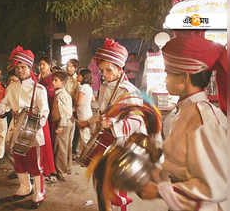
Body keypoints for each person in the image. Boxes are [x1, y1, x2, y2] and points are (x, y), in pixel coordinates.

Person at [138, 33, 228, 211]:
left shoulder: (204, 120)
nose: (165, 79)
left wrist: (160, 191)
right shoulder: (183, 112)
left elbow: (217, 185)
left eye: (168, 73)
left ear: (185, 77)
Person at [79, 38, 147, 211]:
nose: (105, 74)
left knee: (116, 185)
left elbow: (137, 118)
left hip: (123, 144)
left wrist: (113, 124)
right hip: (107, 141)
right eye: (102, 70)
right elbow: (103, 111)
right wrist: (91, 122)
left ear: (119, 68)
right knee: (101, 181)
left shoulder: (128, 91)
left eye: (109, 70)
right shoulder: (104, 86)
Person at [0, 46, 51, 209]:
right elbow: (5, 104)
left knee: (35, 163)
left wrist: (34, 126)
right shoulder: (12, 87)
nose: (20, 70)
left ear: (30, 68)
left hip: (32, 131)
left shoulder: (39, 89)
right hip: (15, 128)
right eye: (18, 67)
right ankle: (24, 186)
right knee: (18, 161)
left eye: (23, 67)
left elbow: (44, 111)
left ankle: (38, 191)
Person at [50, 71, 73, 181]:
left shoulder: (62, 95)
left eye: (56, 80)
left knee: (61, 148)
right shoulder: (59, 93)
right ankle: (65, 168)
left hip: (63, 123)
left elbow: (66, 112)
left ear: (63, 82)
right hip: (62, 122)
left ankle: (61, 171)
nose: (53, 82)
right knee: (64, 146)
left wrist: (61, 126)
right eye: (53, 80)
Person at [64, 59, 80, 158]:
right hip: (64, 105)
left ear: (75, 68)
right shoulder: (64, 77)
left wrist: (74, 107)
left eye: (70, 66)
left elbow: (77, 96)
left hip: (73, 106)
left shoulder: (77, 80)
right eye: (67, 65)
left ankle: (73, 150)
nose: (68, 68)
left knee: (75, 130)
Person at [76, 68, 93, 154]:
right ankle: (82, 154)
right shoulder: (89, 87)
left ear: (83, 77)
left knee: (85, 136)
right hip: (87, 112)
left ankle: (87, 155)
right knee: (85, 135)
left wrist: (73, 108)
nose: (77, 76)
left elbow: (79, 102)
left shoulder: (83, 88)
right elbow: (93, 99)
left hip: (83, 114)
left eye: (79, 75)